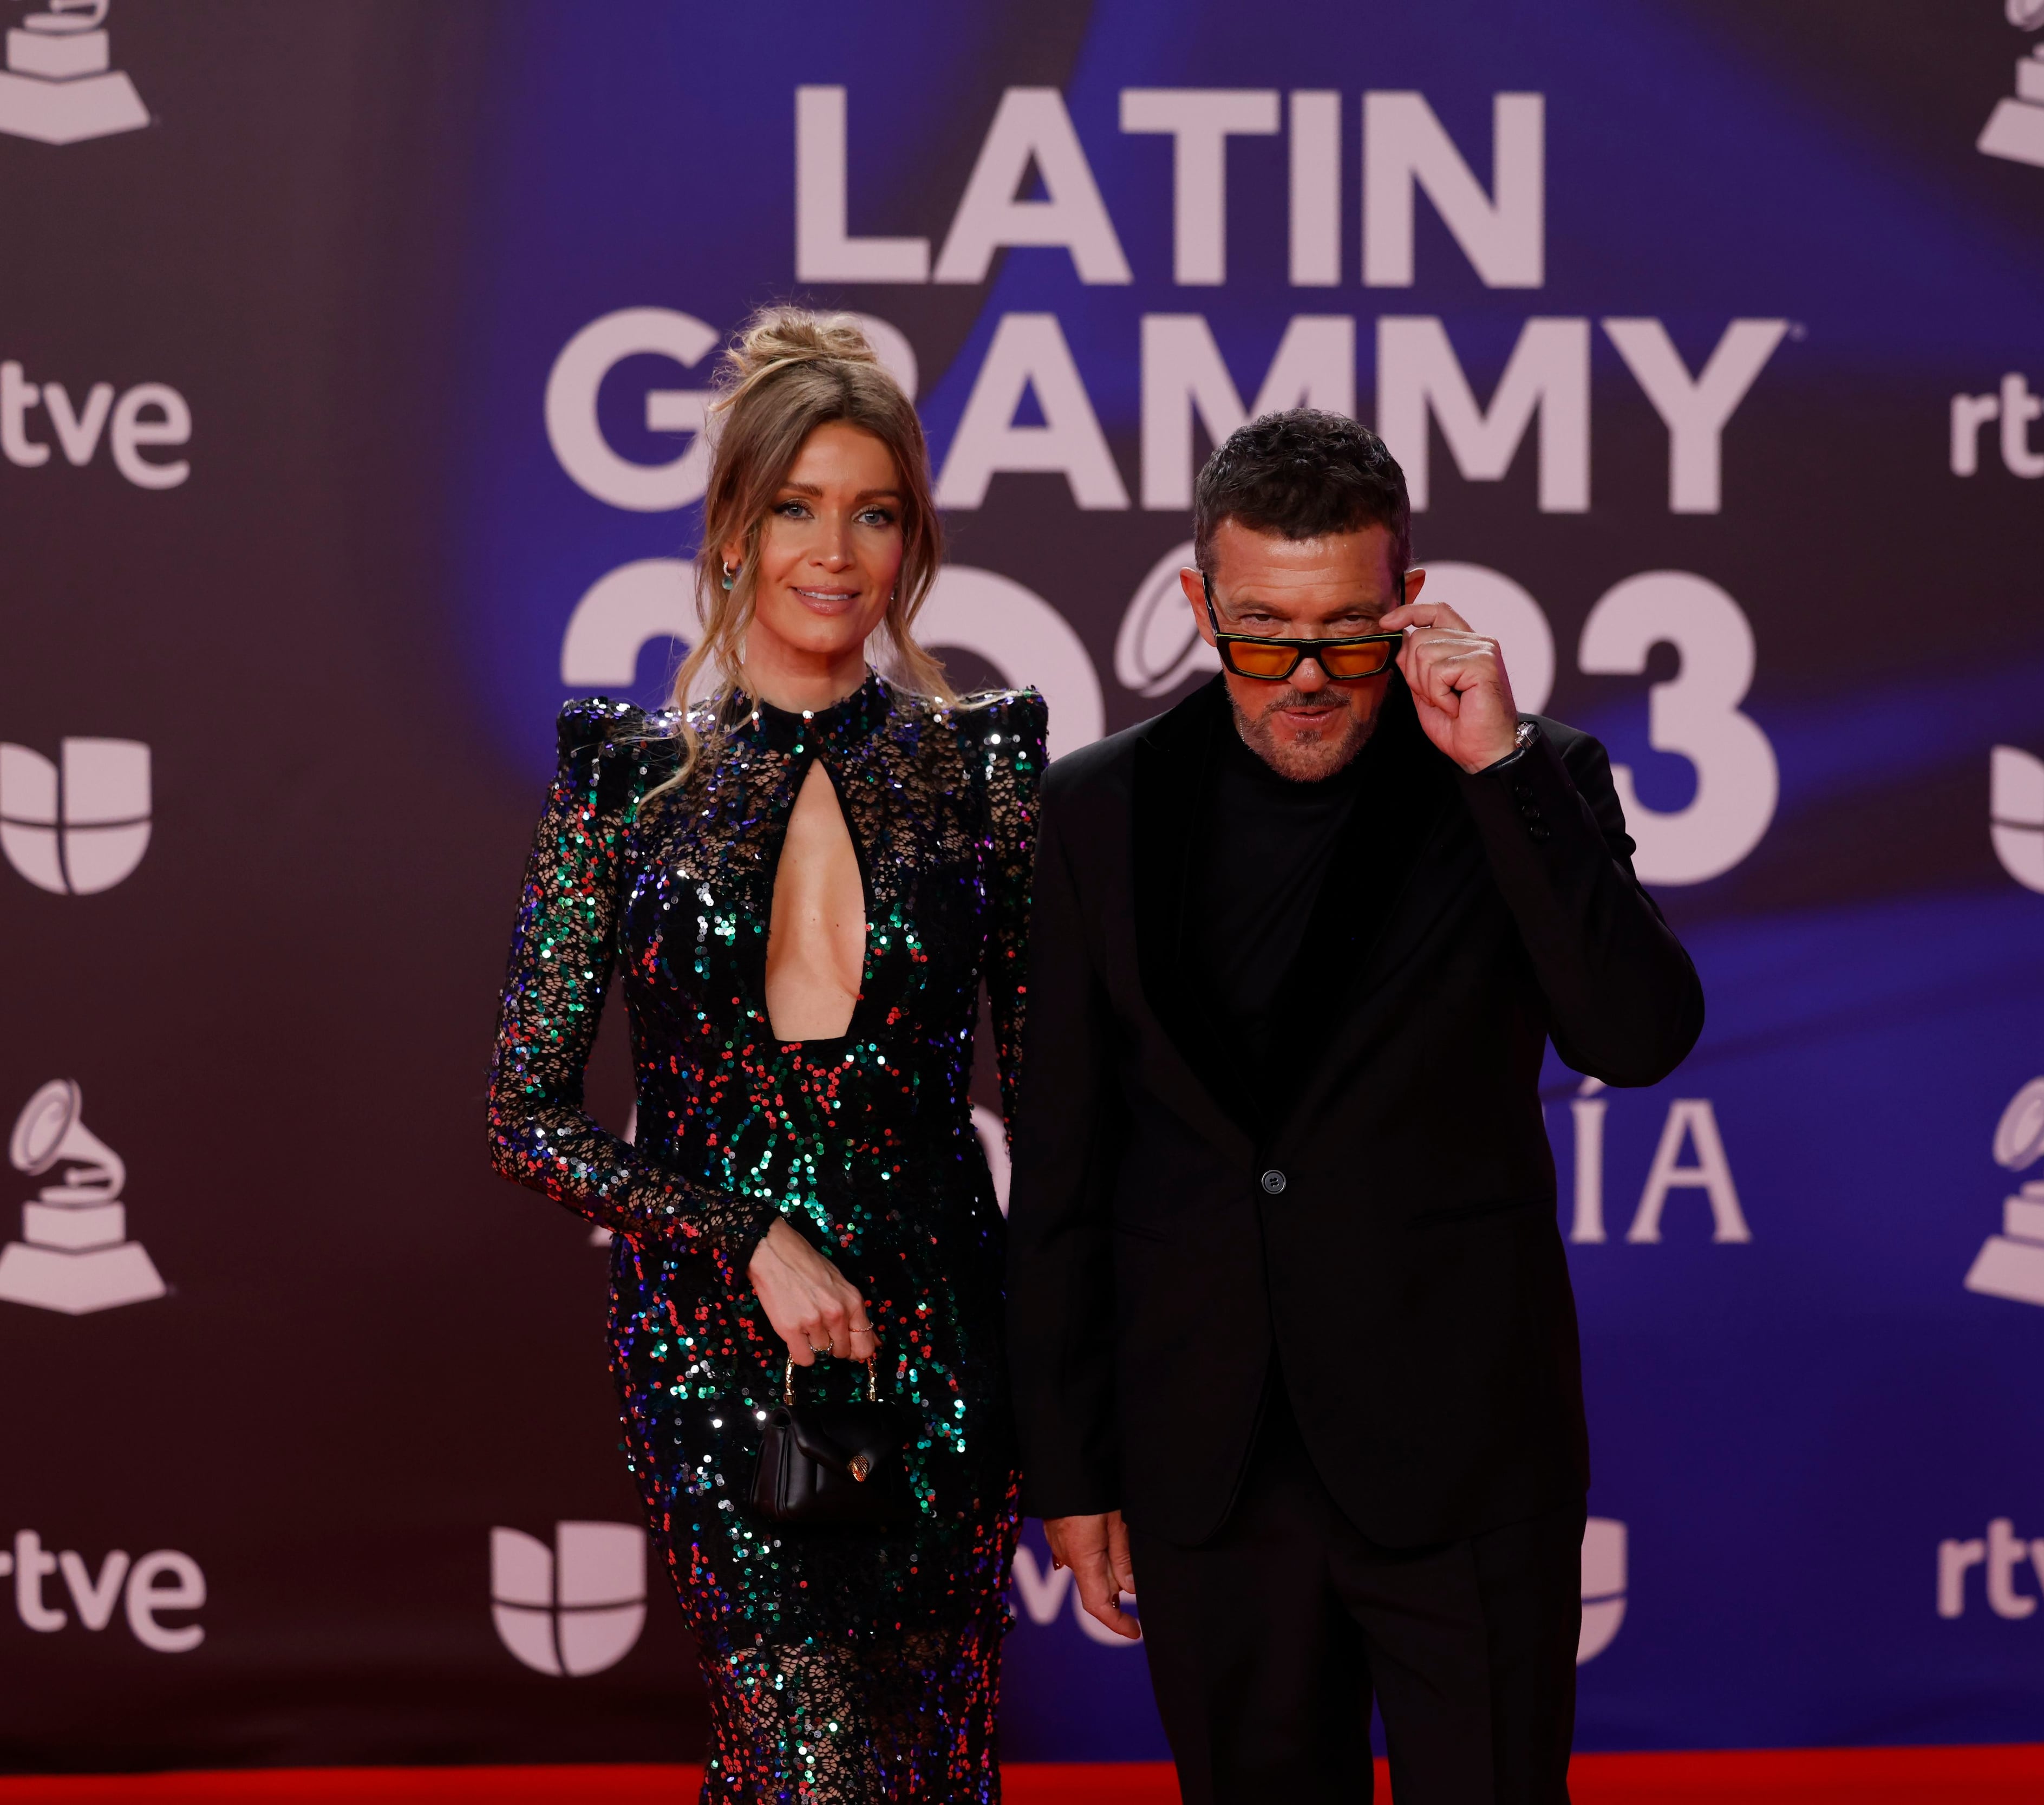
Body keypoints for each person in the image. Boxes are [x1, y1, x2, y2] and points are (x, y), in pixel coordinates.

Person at [1007, 409, 1705, 1802]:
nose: (1309, 675)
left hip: (1460, 1451)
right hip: (1208, 1456)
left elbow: (1637, 1035)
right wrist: (1073, 1469)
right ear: (1197, 603)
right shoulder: (1094, 810)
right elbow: (1067, 1157)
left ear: (1412, 597)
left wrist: (1500, 773)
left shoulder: (1528, 777)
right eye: (1263, 630)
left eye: (1350, 629)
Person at [485, 308, 1041, 1803]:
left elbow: (1058, 1103)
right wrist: (751, 1236)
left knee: (928, 1767)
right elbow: (526, 1112)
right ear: (733, 527)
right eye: (795, 505)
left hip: (943, 1333)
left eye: (874, 511)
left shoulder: (984, 765)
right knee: (806, 1762)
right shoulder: (624, 777)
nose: (834, 549)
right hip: (716, 1343)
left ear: (913, 538)